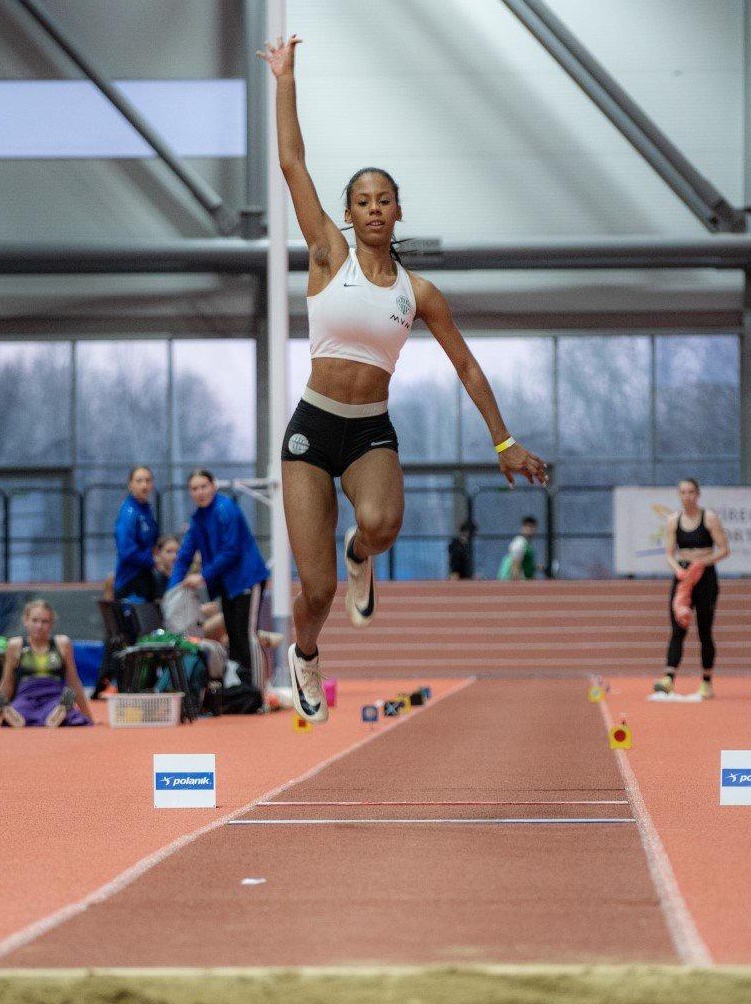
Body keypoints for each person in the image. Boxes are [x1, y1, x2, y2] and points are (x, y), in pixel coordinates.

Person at [258, 35, 548, 723]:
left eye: (383, 199)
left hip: (368, 431)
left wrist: (504, 441)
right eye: (361, 200)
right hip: (312, 428)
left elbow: (466, 365)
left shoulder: (417, 293)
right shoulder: (327, 254)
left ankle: (361, 553)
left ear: (397, 212)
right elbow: (292, 162)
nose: (373, 208)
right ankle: (305, 654)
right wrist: (285, 78)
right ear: (348, 213)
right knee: (318, 591)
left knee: (383, 525)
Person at [169, 470, 270, 689]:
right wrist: (171, 590)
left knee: (247, 634)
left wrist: (203, 576)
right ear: (190, 493)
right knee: (233, 635)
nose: (200, 492)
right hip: (226, 584)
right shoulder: (198, 519)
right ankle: (241, 687)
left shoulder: (226, 509)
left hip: (246, 579)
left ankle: (258, 689)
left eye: (203, 486)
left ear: (213, 486)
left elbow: (231, 550)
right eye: (195, 488)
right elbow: (185, 554)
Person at [653, 478, 729, 699]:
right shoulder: (673, 520)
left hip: (705, 576)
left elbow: (724, 549)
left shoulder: (709, 518)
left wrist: (702, 563)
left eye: (691, 492)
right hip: (683, 578)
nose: (687, 496)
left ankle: (706, 682)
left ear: (698, 494)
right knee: (678, 628)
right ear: (679, 495)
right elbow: (669, 553)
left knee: (705, 630)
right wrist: (679, 570)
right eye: (683, 492)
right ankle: (669, 678)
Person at [0, 599, 92, 728]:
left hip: (54, 696)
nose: (39, 626)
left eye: (44, 621)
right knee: (19, 709)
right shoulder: (14, 645)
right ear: (25, 621)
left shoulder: (62, 644)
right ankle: (11, 712)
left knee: (69, 714)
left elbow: (73, 680)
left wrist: (87, 715)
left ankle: (61, 710)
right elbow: (7, 682)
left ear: (51, 624)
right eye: (34, 620)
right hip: (26, 696)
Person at [114, 465, 161, 604]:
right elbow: (126, 551)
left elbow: (153, 541)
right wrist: (154, 561)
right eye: (139, 481)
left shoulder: (147, 510)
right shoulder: (129, 512)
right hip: (130, 580)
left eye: (148, 480)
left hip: (146, 576)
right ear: (130, 484)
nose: (144, 485)